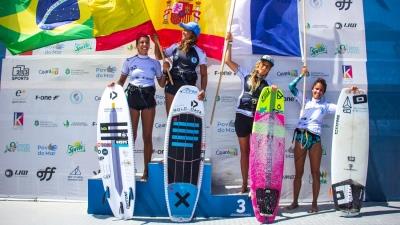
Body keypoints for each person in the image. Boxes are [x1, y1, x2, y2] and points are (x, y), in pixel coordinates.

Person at [285, 67, 357, 213]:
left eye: (321, 90)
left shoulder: (326, 106)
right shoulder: (304, 100)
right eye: (316, 89)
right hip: (300, 136)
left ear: (323, 92)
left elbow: (344, 107)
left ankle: (314, 204)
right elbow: (291, 87)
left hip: (315, 139)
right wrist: (301, 75)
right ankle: (294, 202)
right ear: (312, 89)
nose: (318, 92)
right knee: (298, 173)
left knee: (315, 172)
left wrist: (351, 92)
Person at [225, 32, 278, 193]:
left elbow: (271, 107)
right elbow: (227, 61)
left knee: (256, 153)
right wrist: (229, 43)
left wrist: (274, 93)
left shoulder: (268, 85)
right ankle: (243, 184)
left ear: (268, 70)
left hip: (256, 121)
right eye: (263, 64)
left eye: (267, 67)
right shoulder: (245, 74)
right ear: (258, 64)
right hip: (241, 117)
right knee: (244, 152)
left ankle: (256, 183)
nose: (264, 68)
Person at [109, 35, 165, 181]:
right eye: (141, 42)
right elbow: (121, 81)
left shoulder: (155, 63)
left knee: (147, 136)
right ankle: (127, 170)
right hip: (133, 97)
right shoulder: (129, 61)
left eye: (147, 42)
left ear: (149, 45)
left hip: (148, 99)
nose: (144, 44)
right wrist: (113, 86)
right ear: (137, 45)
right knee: (131, 136)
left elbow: (162, 84)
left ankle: (146, 171)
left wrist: (165, 70)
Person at [154, 21, 207, 114]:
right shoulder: (175, 46)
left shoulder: (200, 52)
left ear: (193, 34)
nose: (183, 31)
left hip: (189, 90)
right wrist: (156, 42)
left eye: (186, 30)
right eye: (183, 29)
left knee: (184, 121)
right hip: (172, 87)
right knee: (171, 120)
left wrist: (202, 90)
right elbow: (159, 56)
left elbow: (204, 75)